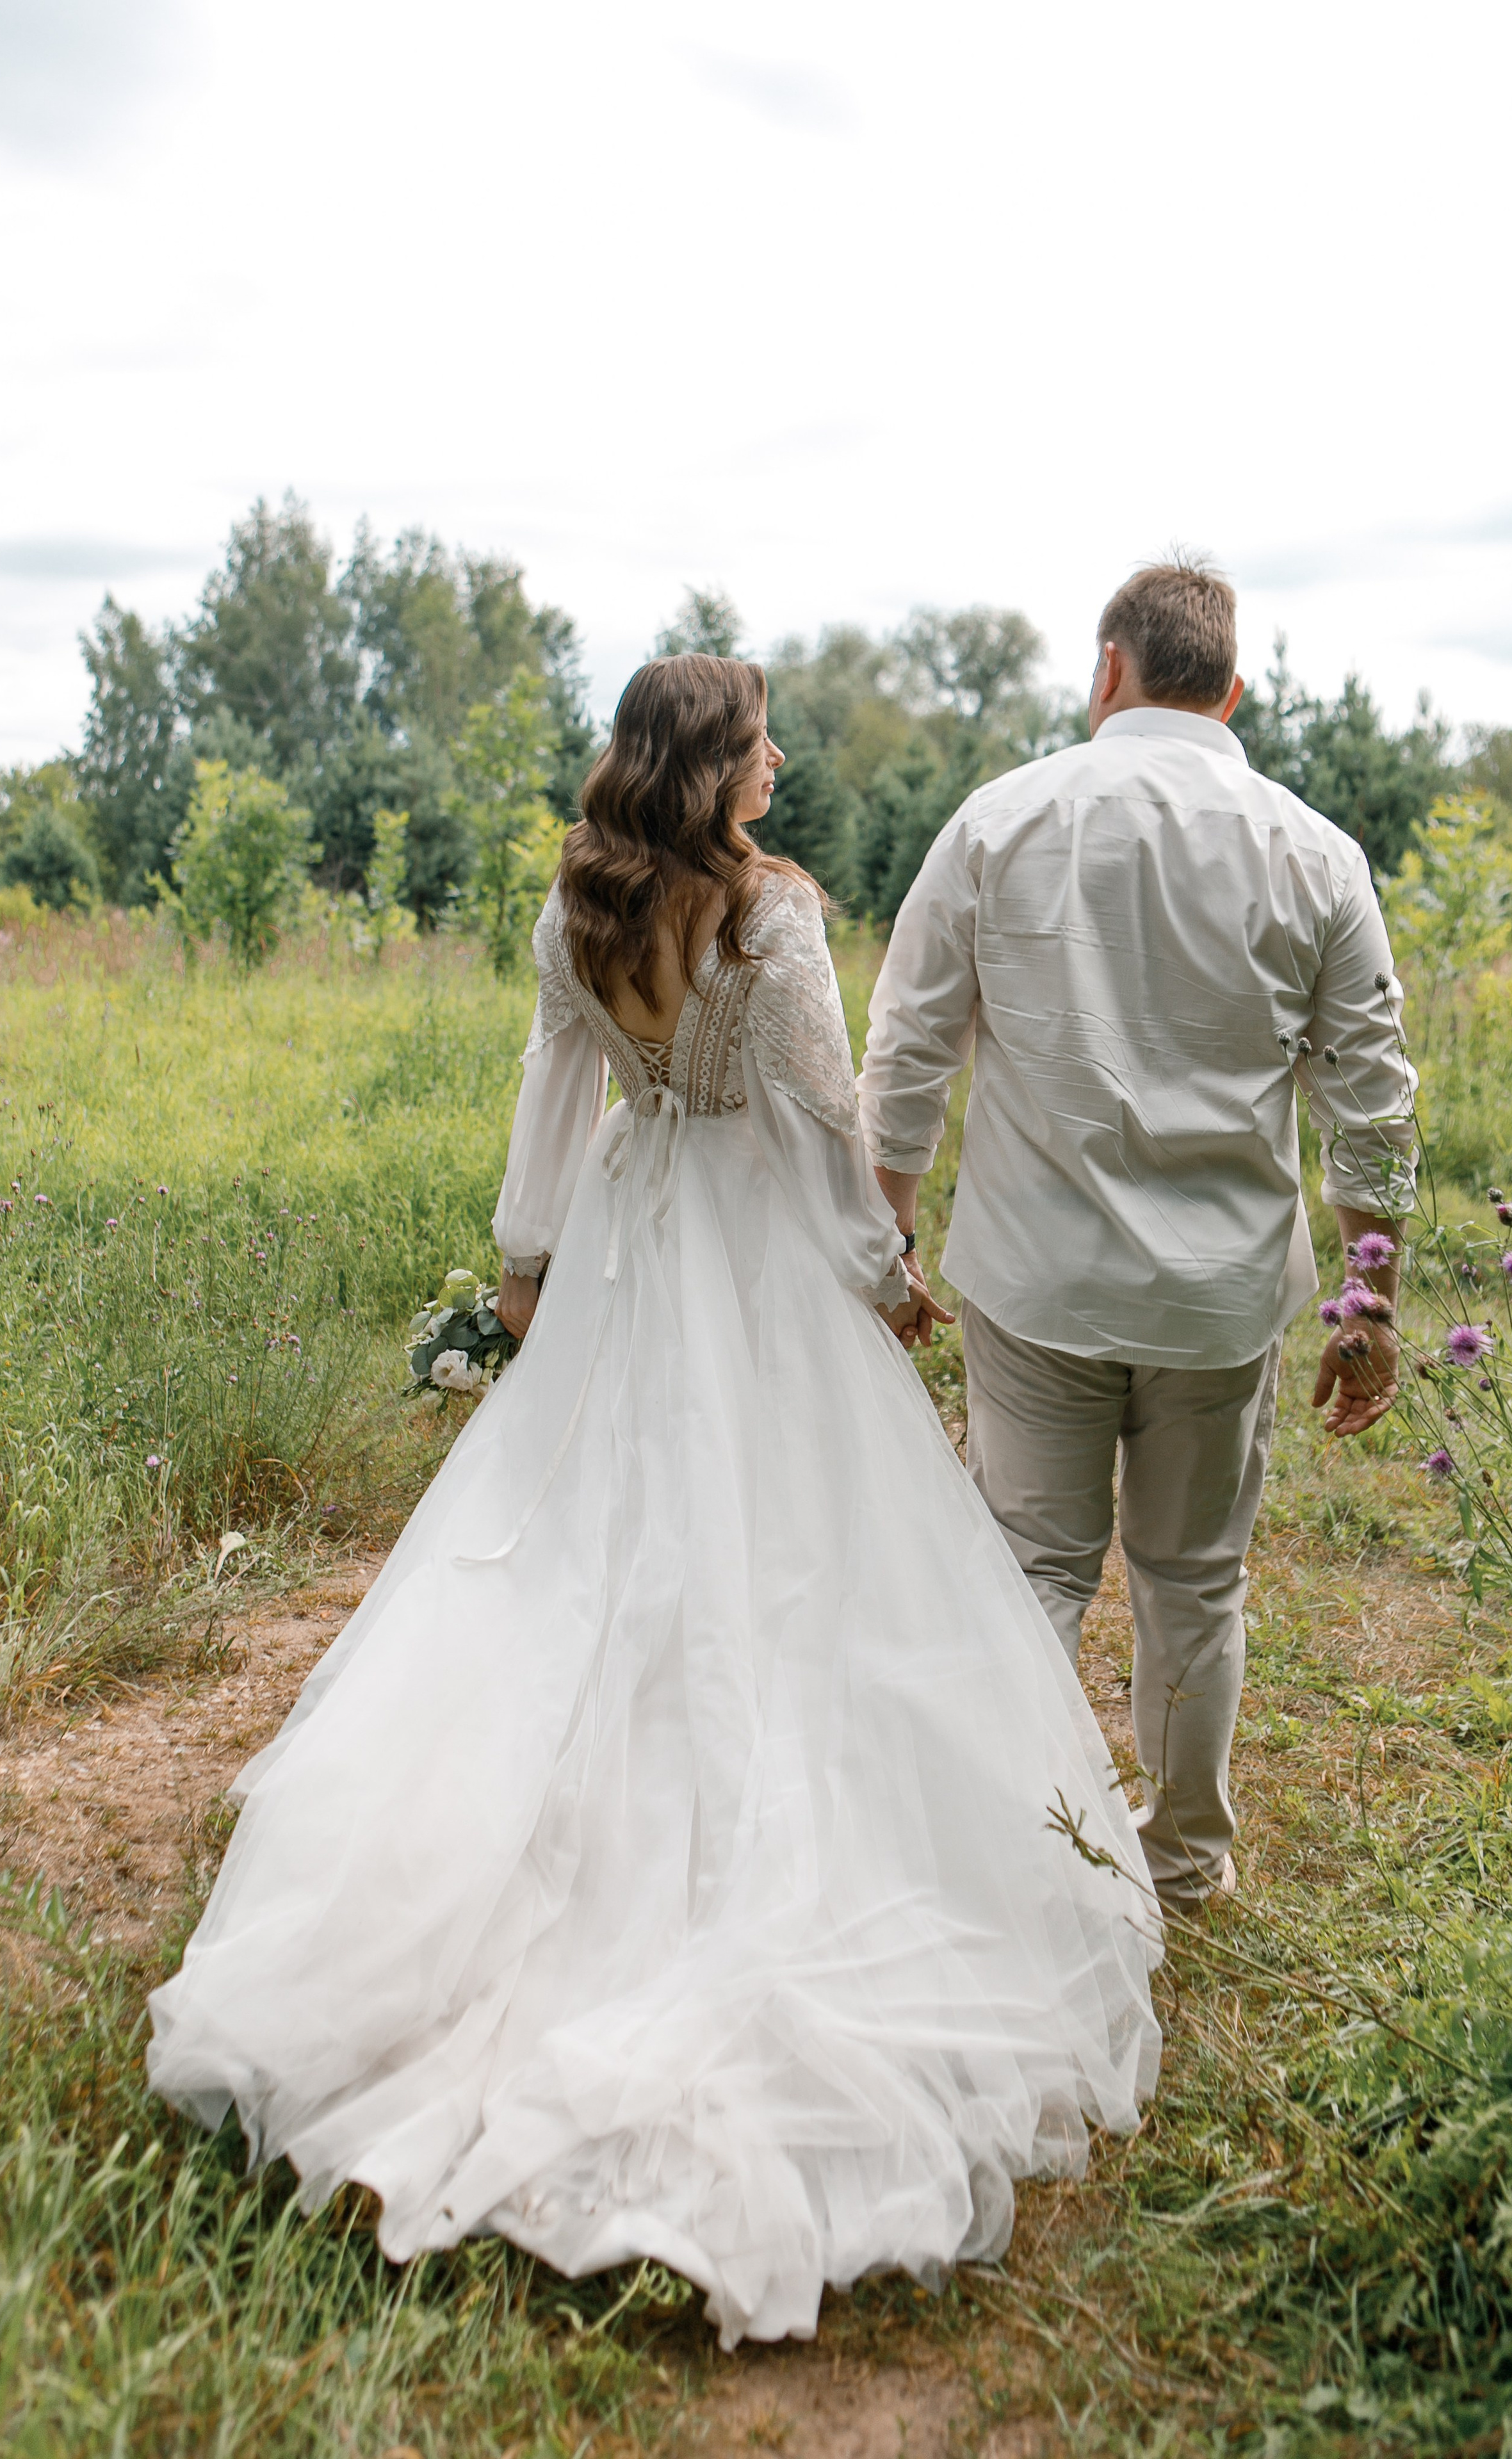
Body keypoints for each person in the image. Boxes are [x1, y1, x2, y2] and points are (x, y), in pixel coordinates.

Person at [147, 653, 1161, 2352]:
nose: (781, 759)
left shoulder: (582, 914)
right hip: (755, 1250)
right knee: (787, 1556)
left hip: (631, 1234)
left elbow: (555, 1097)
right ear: (711, 764)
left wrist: (530, 1264)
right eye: (761, 740)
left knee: (583, 1546)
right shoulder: (773, 922)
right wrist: (880, 1272)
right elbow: (818, 1114)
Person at [858, 557, 1417, 1915]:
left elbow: (909, 1045)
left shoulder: (998, 821)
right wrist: (1367, 1294)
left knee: (1032, 1568)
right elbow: (1369, 1092)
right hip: (1218, 1301)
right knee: (1191, 1581)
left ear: (1105, 669)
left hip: (1032, 1276)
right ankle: (1178, 1864)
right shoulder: (1313, 852)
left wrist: (889, 1238)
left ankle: (1012, 1859)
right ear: (1229, 691)